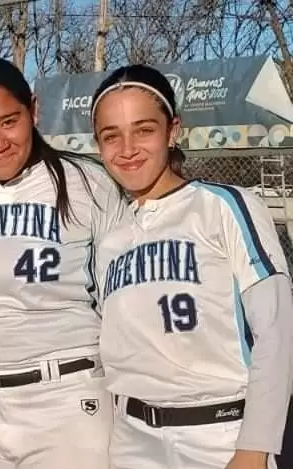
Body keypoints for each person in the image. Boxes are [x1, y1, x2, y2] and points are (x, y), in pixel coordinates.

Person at [91, 64, 293, 469]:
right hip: (133, 439)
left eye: (144, 129)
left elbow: (277, 327)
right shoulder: (111, 238)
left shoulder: (224, 206)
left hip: (219, 435)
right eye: (111, 135)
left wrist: (254, 447)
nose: (127, 148)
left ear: (172, 130)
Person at [0, 56, 127, 469]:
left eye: (9, 121)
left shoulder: (87, 182)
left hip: (64, 397)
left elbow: (122, 297)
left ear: (34, 109)